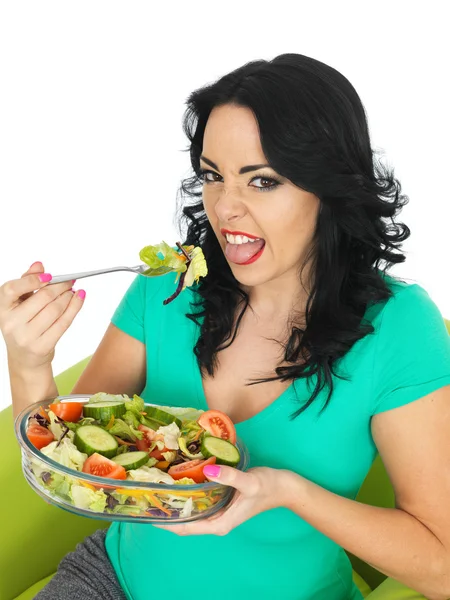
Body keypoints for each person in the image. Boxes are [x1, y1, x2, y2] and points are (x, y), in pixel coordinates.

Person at [2, 53, 450, 600]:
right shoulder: (165, 288)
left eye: (262, 181)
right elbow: (73, 475)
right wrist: (28, 364)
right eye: (213, 176)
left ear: (330, 188)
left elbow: (443, 565)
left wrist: (288, 491)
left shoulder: (400, 328)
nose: (225, 210)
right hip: (114, 580)